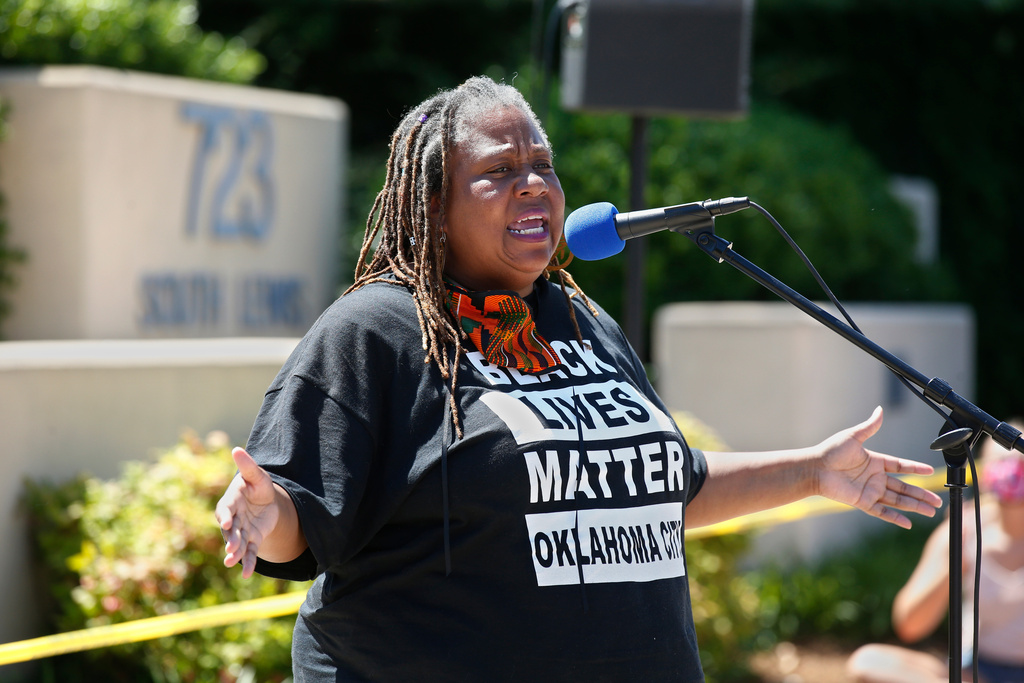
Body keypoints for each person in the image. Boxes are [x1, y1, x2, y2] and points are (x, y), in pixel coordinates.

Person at [215, 75, 942, 682]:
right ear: (435, 208)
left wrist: (812, 471)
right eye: (499, 171)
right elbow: (300, 522)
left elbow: (661, 491)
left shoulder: (580, 319)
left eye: (543, 166)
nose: (532, 184)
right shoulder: (377, 331)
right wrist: (266, 512)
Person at [847, 421, 1024, 683]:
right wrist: (954, 559)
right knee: (868, 661)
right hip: (979, 672)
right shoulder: (964, 529)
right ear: (984, 471)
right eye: (1001, 464)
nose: (1011, 474)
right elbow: (910, 625)